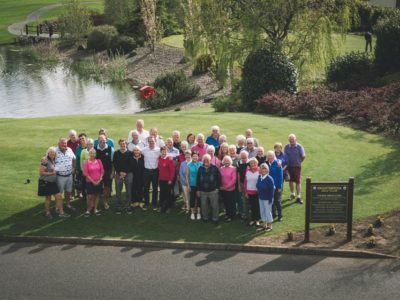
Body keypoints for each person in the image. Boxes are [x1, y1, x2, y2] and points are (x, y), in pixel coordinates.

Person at [38, 147, 70, 219]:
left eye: (53, 152)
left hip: (53, 182)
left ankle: (61, 212)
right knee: (48, 198)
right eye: (51, 152)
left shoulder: (54, 159)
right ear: (48, 153)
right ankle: (48, 212)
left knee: (58, 196)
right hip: (45, 182)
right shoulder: (45, 160)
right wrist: (51, 173)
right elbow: (41, 172)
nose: (52, 153)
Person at [197, 154, 220, 223]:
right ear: (203, 161)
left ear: (210, 160)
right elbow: (198, 180)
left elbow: (219, 178)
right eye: (204, 160)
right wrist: (198, 190)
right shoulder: (200, 168)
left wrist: (217, 188)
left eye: (207, 160)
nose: (206, 161)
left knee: (214, 205)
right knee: (204, 205)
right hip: (203, 190)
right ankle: (205, 218)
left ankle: (215, 218)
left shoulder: (215, 168)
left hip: (213, 190)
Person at [55, 138, 76, 211]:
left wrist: (73, 168)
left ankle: (68, 204)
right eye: (62, 143)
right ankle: (58, 207)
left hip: (69, 175)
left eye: (65, 143)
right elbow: (50, 161)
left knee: (68, 191)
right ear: (59, 144)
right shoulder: (54, 151)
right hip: (60, 176)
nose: (64, 144)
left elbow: (74, 158)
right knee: (59, 193)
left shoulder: (69, 149)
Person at [284, 133, 306, 204]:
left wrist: (299, 162)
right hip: (289, 166)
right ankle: (292, 193)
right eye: (290, 139)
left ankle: (298, 196)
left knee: (297, 181)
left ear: (295, 139)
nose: (291, 141)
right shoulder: (286, 147)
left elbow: (303, 156)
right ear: (288, 140)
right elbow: (285, 156)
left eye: (293, 139)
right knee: (290, 180)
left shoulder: (299, 147)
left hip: (297, 166)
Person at [113, 139, 133, 214]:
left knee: (128, 190)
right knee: (118, 190)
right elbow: (115, 164)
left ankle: (128, 206)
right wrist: (120, 172)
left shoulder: (130, 153)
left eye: (124, 144)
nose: (123, 145)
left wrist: (125, 173)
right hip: (119, 173)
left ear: (126, 144)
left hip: (128, 173)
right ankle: (118, 206)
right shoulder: (116, 153)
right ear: (119, 144)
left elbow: (131, 164)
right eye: (121, 144)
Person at [96, 134, 115, 210]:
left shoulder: (111, 149)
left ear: (106, 140)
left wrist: (112, 172)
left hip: (108, 171)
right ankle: (95, 203)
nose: (102, 142)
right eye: (100, 141)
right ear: (98, 141)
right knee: (97, 188)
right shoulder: (94, 149)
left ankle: (105, 202)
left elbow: (113, 162)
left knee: (107, 187)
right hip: (97, 172)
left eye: (104, 140)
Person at [83, 148, 104, 216]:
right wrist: (93, 182)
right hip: (89, 182)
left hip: (98, 181)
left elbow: (102, 171)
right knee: (90, 196)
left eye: (94, 153)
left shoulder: (99, 161)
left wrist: (100, 179)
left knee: (97, 195)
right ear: (89, 154)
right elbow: (86, 174)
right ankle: (88, 210)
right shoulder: (86, 162)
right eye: (91, 153)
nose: (92, 154)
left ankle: (95, 209)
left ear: (95, 154)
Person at [142, 136, 161, 210]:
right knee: (146, 188)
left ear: (155, 141)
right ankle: (146, 203)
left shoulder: (158, 150)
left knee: (155, 188)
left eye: (152, 141)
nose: (151, 143)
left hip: (155, 171)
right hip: (146, 171)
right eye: (150, 141)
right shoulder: (144, 150)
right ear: (148, 142)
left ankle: (154, 204)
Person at [256, 163, 275, 232]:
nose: (263, 170)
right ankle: (264, 225)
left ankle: (270, 226)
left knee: (268, 212)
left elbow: (272, 191)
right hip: (261, 198)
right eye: (262, 168)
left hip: (267, 199)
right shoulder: (259, 177)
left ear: (267, 170)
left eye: (265, 168)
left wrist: (270, 200)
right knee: (262, 211)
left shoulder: (270, 179)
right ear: (260, 170)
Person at [266, 150, 284, 222]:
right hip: (269, 186)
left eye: (271, 156)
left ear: (274, 156)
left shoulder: (277, 163)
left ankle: (280, 215)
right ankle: (274, 214)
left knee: (277, 201)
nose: (270, 158)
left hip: (277, 186)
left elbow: (280, 176)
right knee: (272, 201)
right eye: (269, 157)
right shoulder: (266, 163)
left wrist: (279, 187)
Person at [220, 156, 237, 222]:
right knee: (226, 202)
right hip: (223, 189)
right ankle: (227, 214)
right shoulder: (221, 168)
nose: (226, 162)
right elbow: (220, 178)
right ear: (223, 162)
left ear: (230, 161)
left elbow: (234, 180)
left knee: (231, 203)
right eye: (225, 161)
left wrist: (226, 187)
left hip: (230, 189)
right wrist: (221, 187)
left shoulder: (233, 168)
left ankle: (231, 216)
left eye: (228, 161)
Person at [158, 146, 175, 213]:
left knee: (168, 194)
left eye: (165, 151)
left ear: (166, 151)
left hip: (168, 180)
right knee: (162, 193)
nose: (164, 152)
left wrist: (170, 179)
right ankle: (161, 206)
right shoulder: (159, 158)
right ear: (161, 152)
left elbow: (172, 170)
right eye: (162, 151)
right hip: (161, 179)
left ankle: (169, 207)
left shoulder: (169, 159)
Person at [186, 152, 202, 220]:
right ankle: (192, 213)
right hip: (192, 185)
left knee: (199, 199)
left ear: (198, 157)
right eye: (193, 156)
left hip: (199, 185)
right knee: (192, 199)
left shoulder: (201, 164)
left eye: (196, 156)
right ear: (191, 157)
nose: (195, 157)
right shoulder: (189, 165)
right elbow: (187, 176)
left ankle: (198, 213)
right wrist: (188, 185)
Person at [244, 158, 260, 226]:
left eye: (254, 163)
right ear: (249, 164)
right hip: (249, 192)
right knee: (252, 207)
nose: (253, 164)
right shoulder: (247, 170)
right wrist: (246, 192)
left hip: (257, 192)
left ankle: (257, 220)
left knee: (257, 206)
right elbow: (245, 182)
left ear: (257, 163)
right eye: (251, 163)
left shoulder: (260, 170)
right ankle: (253, 220)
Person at [236, 150, 249, 219]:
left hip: (250, 184)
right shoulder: (238, 163)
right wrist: (239, 185)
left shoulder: (250, 162)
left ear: (247, 157)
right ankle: (244, 213)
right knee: (243, 199)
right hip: (242, 184)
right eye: (242, 158)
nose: (244, 159)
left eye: (245, 158)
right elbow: (238, 175)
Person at [75, 133, 87, 199]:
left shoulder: (89, 146)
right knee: (82, 182)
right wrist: (77, 169)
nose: (82, 140)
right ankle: (83, 195)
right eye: (80, 139)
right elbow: (77, 159)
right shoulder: (78, 148)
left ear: (86, 139)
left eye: (83, 138)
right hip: (80, 169)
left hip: (89, 169)